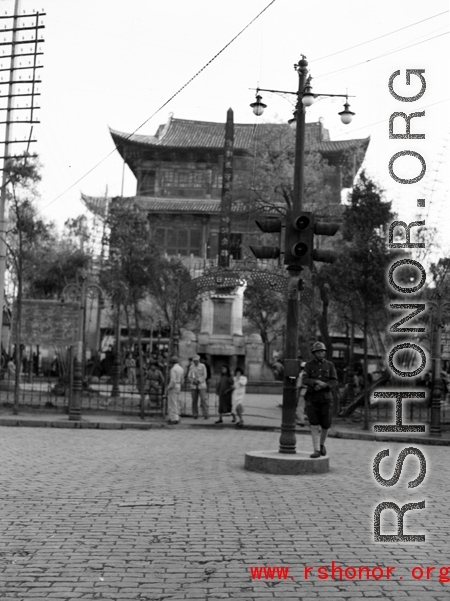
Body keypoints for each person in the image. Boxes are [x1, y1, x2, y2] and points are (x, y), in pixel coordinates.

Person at [303, 341, 338, 458]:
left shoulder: (330, 365)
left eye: (322, 351)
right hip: (312, 398)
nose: (320, 353)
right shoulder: (308, 365)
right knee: (313, 424)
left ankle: (322, 444)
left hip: (326, 399)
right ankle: (316, 449)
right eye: (318, 352)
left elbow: (335, 381)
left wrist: (324, 385)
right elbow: (305, 379)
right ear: (314, 353)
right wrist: (315, 382)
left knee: (326, 425)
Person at [188, 354, 209, 419]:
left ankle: (205, 414)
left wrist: (199, 380)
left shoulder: (203, 366)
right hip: (194, 385)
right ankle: (195, 414)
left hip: (201, 385)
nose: (195, 362)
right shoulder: (191, 367)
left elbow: (205, 375)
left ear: (199, 360)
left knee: (203, 400)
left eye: (196, 361)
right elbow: (189, 376)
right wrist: (193, 381)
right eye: (194, 361)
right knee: (194, 400)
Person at [167, 356, 184, 424]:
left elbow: (173, 380)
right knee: (176, 402)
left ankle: (174, 418)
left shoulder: (173, 369)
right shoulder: (181, 368)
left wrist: (169, 387)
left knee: (172, 402)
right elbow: (183, 379)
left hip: (174, 386)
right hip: (179, 384)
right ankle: (177, 416)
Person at [296, 361, 307, 426]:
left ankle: (301, 420)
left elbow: (299, 385)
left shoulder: (301, 374)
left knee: (300, 407)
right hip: (312, 392)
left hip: (304, 391)